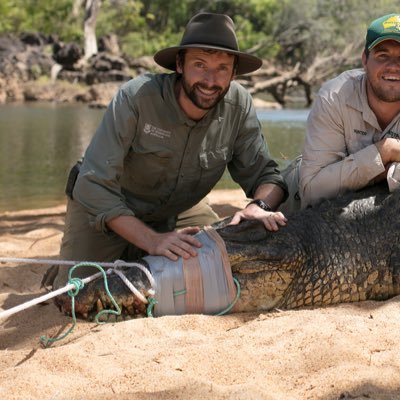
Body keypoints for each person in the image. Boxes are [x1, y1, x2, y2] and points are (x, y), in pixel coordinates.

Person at [44, 12, 288, 289]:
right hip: (107, 207)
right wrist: (153, 240)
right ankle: (87, 253)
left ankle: (135, 250)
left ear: (234, 73)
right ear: (179, 64)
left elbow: (266, 174)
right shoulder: (135, 97)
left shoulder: (239, 105)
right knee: (80, 291)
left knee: (221, 265)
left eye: (222, 68)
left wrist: (260, 207)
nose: (210, 80)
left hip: (179, 208)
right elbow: (93, 185)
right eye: (200, 64)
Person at [299, 13, 400, 208]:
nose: (393, 67)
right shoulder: (335, 95)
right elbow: (312, 191)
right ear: (364, 59)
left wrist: (379, 170)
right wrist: (385, 151)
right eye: (382, 56)